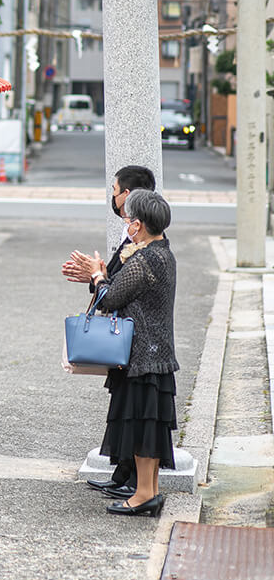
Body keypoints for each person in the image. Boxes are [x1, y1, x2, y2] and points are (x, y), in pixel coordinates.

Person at [62, 164, 156, 497]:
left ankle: (135, 483)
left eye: (114, 190)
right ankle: (124, 474)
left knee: (136, 412)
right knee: (124, 408)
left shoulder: (145, 246)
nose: (112, 196)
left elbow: (118, 290)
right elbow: (115, 282)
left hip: (140, 342)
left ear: (128, 196)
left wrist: (98, 276)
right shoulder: (130, 237)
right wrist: (94, 275)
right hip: (129, 338)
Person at [86, 190, 178, 518]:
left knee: (141, 427)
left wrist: (98, 275)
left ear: (137, 225)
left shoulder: (144, 260)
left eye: (128, 219)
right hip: (158, 354)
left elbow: (110, 297)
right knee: (151, 427)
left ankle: (142, 495)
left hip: (141, 356)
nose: (126, 224)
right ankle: (148, 492)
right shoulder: (163, 253)